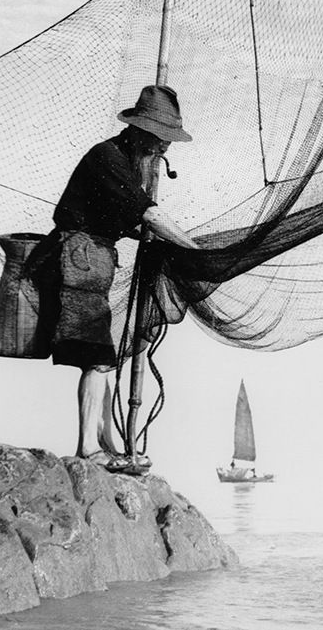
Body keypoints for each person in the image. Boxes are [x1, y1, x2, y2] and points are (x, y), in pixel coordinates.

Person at [29, 84, 198, 468]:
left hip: (94, 259)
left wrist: (162, 242)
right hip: (78, 259)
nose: (164, 148)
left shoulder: (128, 159)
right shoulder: (108, 157)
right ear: (141, 130)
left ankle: (103, 444)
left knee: (101, 357)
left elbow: (131, 220)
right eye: (160, 139)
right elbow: (147, 214)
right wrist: (195, 251)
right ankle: (89, 448)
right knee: (97, 355)